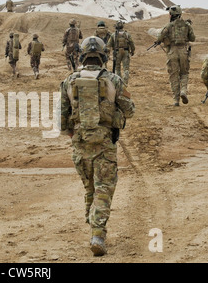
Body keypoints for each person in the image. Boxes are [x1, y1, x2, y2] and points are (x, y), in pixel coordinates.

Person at [60, 36, 135, 257]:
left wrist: (77, 134)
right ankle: (97, 234)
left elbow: (63, 121)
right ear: (103, 56)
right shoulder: (114, 80)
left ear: (82, 56)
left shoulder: (69, 81)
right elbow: (130, 110)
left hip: (80, 144)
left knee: (90, 188)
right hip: (105, 144)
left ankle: (92, 220)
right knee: (104, 188)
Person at [155, 5, 196, 106]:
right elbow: (192, 38)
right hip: (183, 51)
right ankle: (183, 91)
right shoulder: (187, 25)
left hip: (172, 52)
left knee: (173, 75)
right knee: (184, 73)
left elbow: (160, 36)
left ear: (171, 15)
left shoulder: (168, 26)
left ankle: (176, 100)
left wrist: (159, 40)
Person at [106, 21, 135, 86]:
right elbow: (131, 43)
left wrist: (108, 53)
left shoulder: (113, 35)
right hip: (126, 52)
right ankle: (125, 83)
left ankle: (118, 82)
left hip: (117, 52)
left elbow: (109, 45)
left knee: (117, 68)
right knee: (126, 68)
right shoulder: (127, 34)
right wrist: (132, 51)